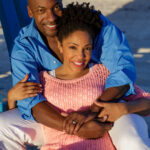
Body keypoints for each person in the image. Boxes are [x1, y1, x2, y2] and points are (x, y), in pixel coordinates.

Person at [6, 2, 150, 150]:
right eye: (41, 10)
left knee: (132, 140)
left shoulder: (93, 26)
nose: (51, 17)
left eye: (56, 7)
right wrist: (77, 128)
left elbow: (123, 73)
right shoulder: (25, 47)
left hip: (105, 112)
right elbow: (29, 101)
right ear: (30, 11)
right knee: (2, 126)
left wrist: (93, 112)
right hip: (53, 121)